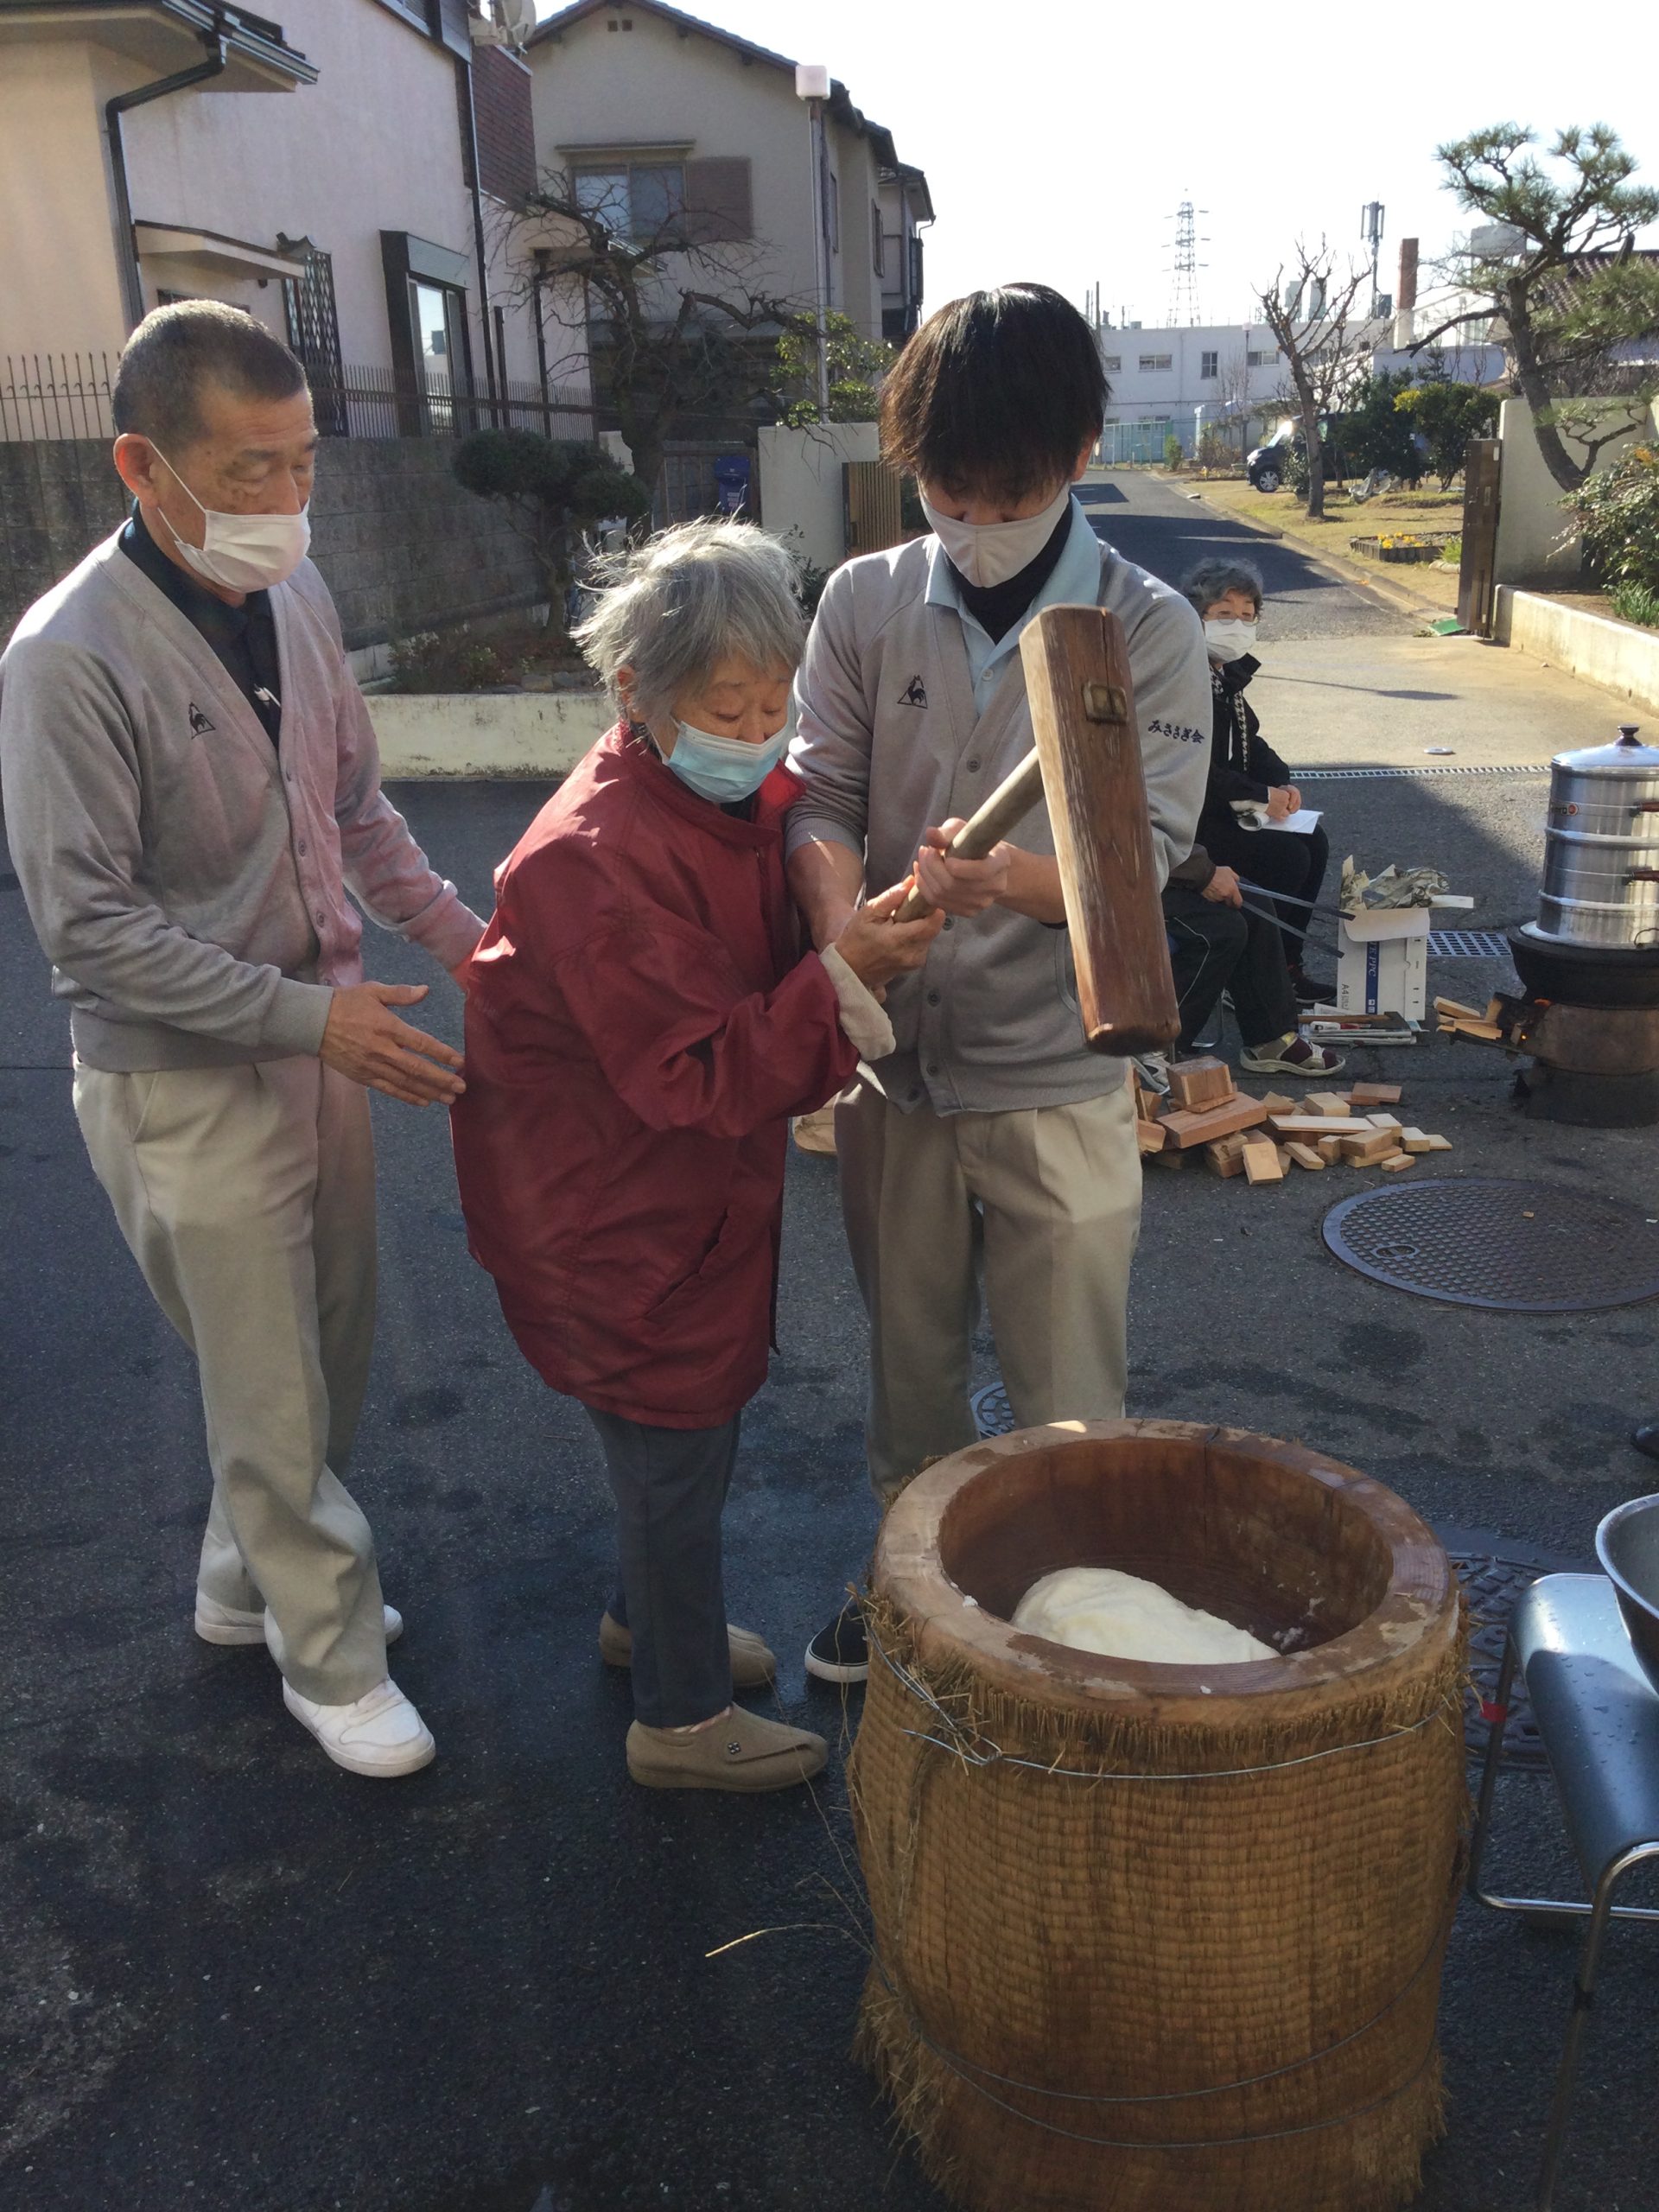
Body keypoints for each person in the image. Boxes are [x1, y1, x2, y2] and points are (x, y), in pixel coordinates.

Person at [0, 302, 485, 1779]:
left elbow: (355, 811)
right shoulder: (65, 660)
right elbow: (88, 932)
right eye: (251, 469)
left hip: (320, 1045)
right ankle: (325, 1654)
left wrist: (485, 946)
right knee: (268, 1379)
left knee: (320, 1356)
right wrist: (310, 1020)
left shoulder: (300, 594)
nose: (288, 501)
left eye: (305, 464)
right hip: (182, 1081)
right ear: (143, 465)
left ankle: (239, 1580)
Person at [449, 521, 942, 1792]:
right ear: (636, 695)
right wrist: (844, 977)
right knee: (674, 1445)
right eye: (728, 705)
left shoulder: (702, 793)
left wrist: (842, 913)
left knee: (672, 1442)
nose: (761, 728)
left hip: (655, 1201)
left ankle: (641, 1618)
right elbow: (698, 1072)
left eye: (776, 699)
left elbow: (787, 831)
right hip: (611, 1211)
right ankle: (676, 1723)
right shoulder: (594, 860)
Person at [785, 283, 1211, 1683]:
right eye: (944, 491)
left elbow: (1135, 869)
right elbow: (819, 798)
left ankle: (1066, 1642)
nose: (972, 521)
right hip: (894, 1074)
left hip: (1056, 1081)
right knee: (910, 1382)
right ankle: (912, 1602)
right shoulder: (862, 600)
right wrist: (849, 928)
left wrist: (1002, 883)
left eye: (1005, 491)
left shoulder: (1144, 630)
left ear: (1084, 450)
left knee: (1069, 1402)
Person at [1181, 556, 1332, 1020]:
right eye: (1224, 614)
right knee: (1286, 859)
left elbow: (1252, 740)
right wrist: (1262, 796)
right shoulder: (1182, 675)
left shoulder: (1226, 674)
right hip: (1192, 822)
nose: (1238, 625)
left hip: (1223, 808)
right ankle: (1248, 975)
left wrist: (1279, 780)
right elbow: (1196, 766)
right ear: (1195, 615)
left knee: (1313, 840)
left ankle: (1286, 965)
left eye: (1247, 616)